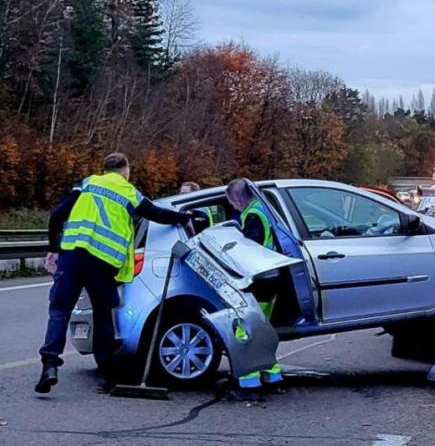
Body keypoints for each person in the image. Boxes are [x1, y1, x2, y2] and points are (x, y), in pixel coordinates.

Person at [36, 153, 195, 394]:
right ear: (126, 170)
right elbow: (157, 214)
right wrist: (184, 217)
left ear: (105, 169)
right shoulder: (129, 192)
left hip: (72, 256)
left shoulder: (87, 183)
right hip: (102, 263)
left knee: (59, 310)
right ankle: (107, 373)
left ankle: (49, 365)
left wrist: (52, 248)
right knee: (103, 315)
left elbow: (58, 214)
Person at [225, 178, 282, 389]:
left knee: (245, 327)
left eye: (232, 202)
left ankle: (249, 380)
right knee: (262, 326)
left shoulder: (253, 215)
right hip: (271, 276)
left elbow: (249, 249)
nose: (233, 206)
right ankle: (272, 374)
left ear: (238, 199)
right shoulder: (262, 208)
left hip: (260, 278)